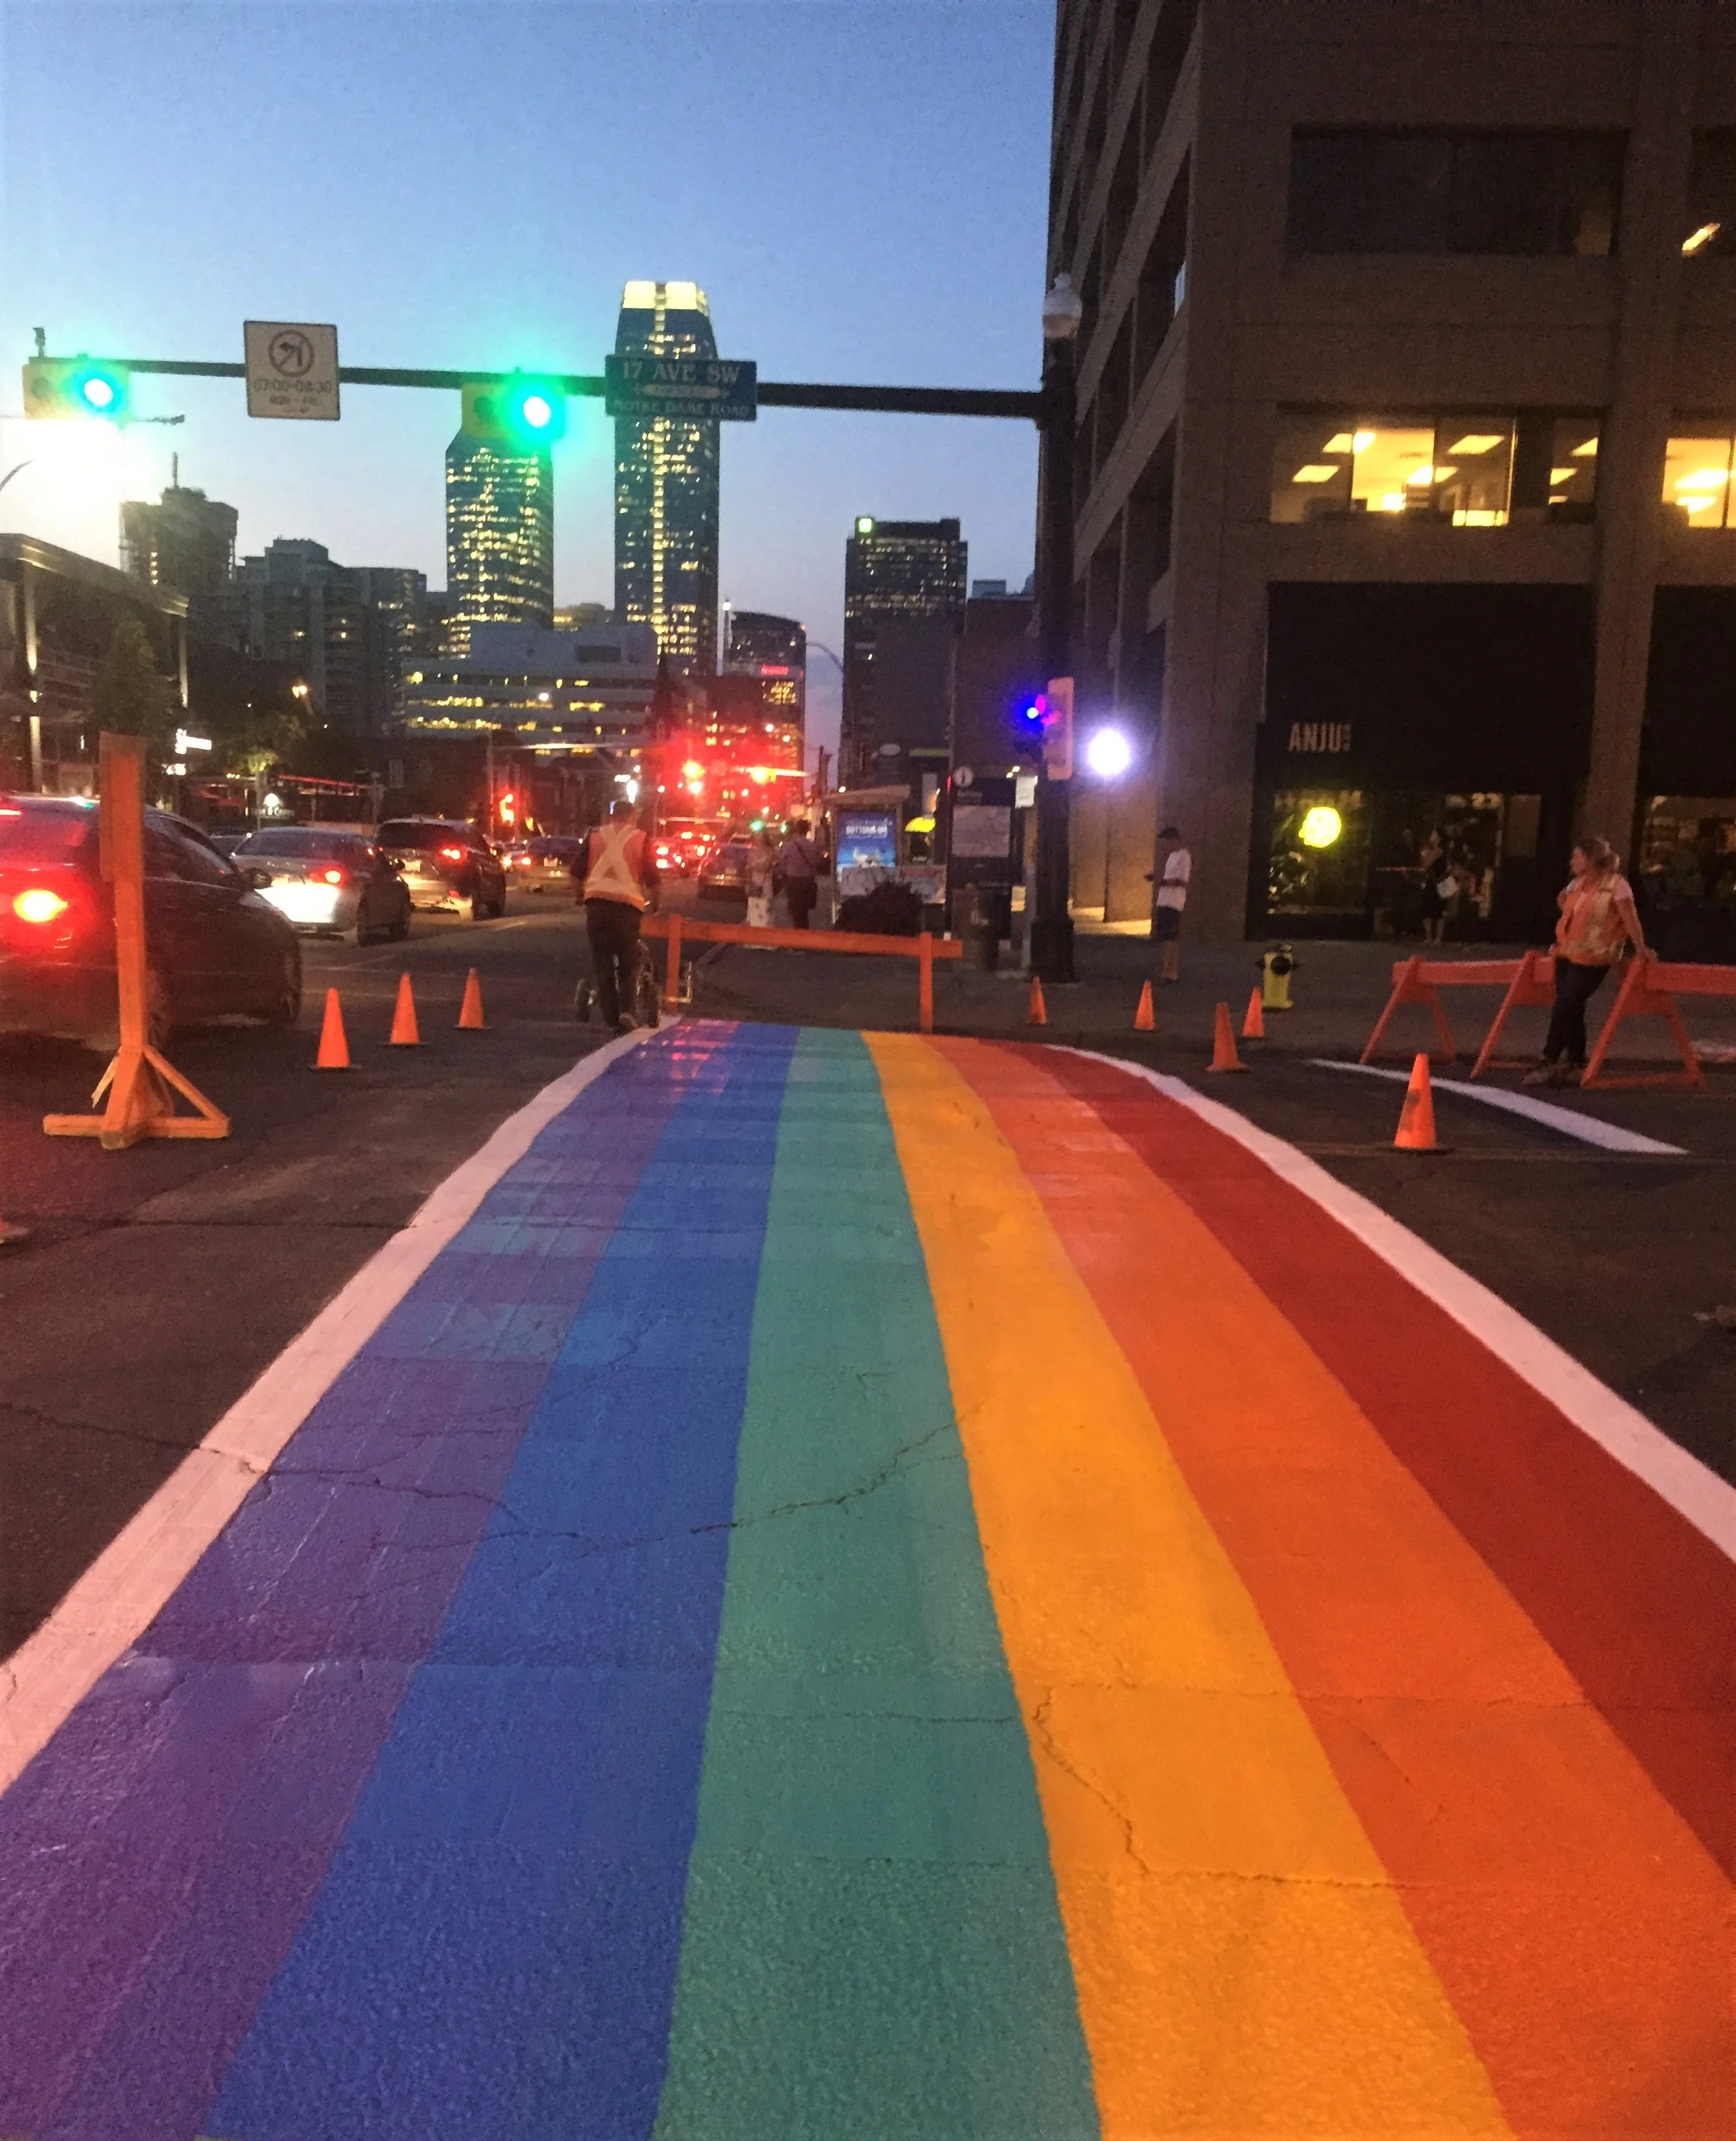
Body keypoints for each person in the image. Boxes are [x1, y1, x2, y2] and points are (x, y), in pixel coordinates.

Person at [1524, 834, 1648, 1087]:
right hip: (1568, 954)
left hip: (1596, 957)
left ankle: (1549, 1059)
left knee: (1566, 1003)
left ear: (1590, 859)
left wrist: (1641, 949)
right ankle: (1576, 1062)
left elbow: (1629, 917)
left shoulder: (1617, 885)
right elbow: (1568, 908)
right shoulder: (1577, 885)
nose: (1572, 861)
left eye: (1577, 856)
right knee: (1572, 1006)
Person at [576, 799, 658, 1032]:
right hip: (627, 910)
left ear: (612, 816)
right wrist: (656, 904)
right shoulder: (640, 839)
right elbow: (654, 880)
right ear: (632, 817)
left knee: (602, 962)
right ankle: (627, 1012)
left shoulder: (595, 836)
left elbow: (575, 874)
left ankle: (610, 1017)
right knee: (628, 961)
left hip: (597, 908)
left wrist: (580, 896)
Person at [1149, 824, 1191, 981]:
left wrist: (1164, 882)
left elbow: (1183, 881)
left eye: (1167, 842)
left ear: (1174, 840)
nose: (1165, 846)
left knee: (1171, 938)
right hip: (1165, 900)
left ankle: (1168, 971)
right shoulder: (1172, 856)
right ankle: (1170, 971)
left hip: (1174, 902)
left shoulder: (1184, 856)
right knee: (1168, 937)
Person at [777, 818, 823, 930]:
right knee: (804, 912)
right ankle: (804, 933)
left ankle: (799, 935)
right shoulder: (813, 846)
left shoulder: (789, 846)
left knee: (796, 914)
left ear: (797, 830)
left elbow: (782, 863)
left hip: (794, 882)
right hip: (808, 882)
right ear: (807, 830)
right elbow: (818, 863)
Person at [1418, 829, 1454, 946]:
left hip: (1440, 882)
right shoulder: (1429, 850)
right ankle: (1428, 937)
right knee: (1427, 910)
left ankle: (1438, 938)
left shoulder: (1439, 851)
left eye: (1434, 836)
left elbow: (1426, 864)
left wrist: (1426, 854)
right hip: (1430, 883)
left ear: (1439, 839)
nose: (1431, 838)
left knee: (1439, 911)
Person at [745, 829, 777, 929]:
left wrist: (752, 867)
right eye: (756, 836)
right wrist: (748, 884)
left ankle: (766, 932)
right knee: (755, 907)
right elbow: (748, 870)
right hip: (755, 882)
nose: (758, 838)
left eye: (760, 836)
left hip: (766, 883)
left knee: (766, 907)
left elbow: (765, 867)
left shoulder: (770, 851)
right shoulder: (752, 852)